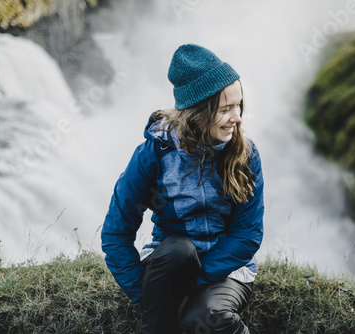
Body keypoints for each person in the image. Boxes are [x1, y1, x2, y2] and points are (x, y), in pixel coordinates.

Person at [101, 44, 264, 334]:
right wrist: (145, 295)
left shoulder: (245, 154)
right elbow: (116, 233)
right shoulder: (154, 153)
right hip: (171, 263)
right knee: (179, 249)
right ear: (198, 112)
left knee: (203, 319)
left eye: (239, 105)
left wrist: (196, 284)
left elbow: (247, 234)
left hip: (225, 270)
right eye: (225, 109)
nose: (237, 117)